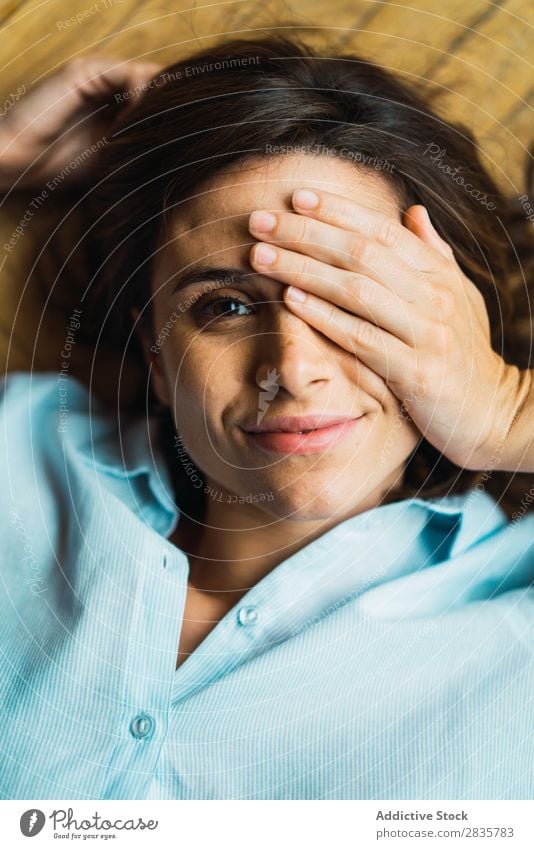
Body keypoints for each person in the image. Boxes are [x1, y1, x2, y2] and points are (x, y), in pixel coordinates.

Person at [0, 34, 533, 801]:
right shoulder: (24, 452)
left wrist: (509, 408)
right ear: (156, 352)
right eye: (225, 305)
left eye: (353, 302)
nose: (291, 365)